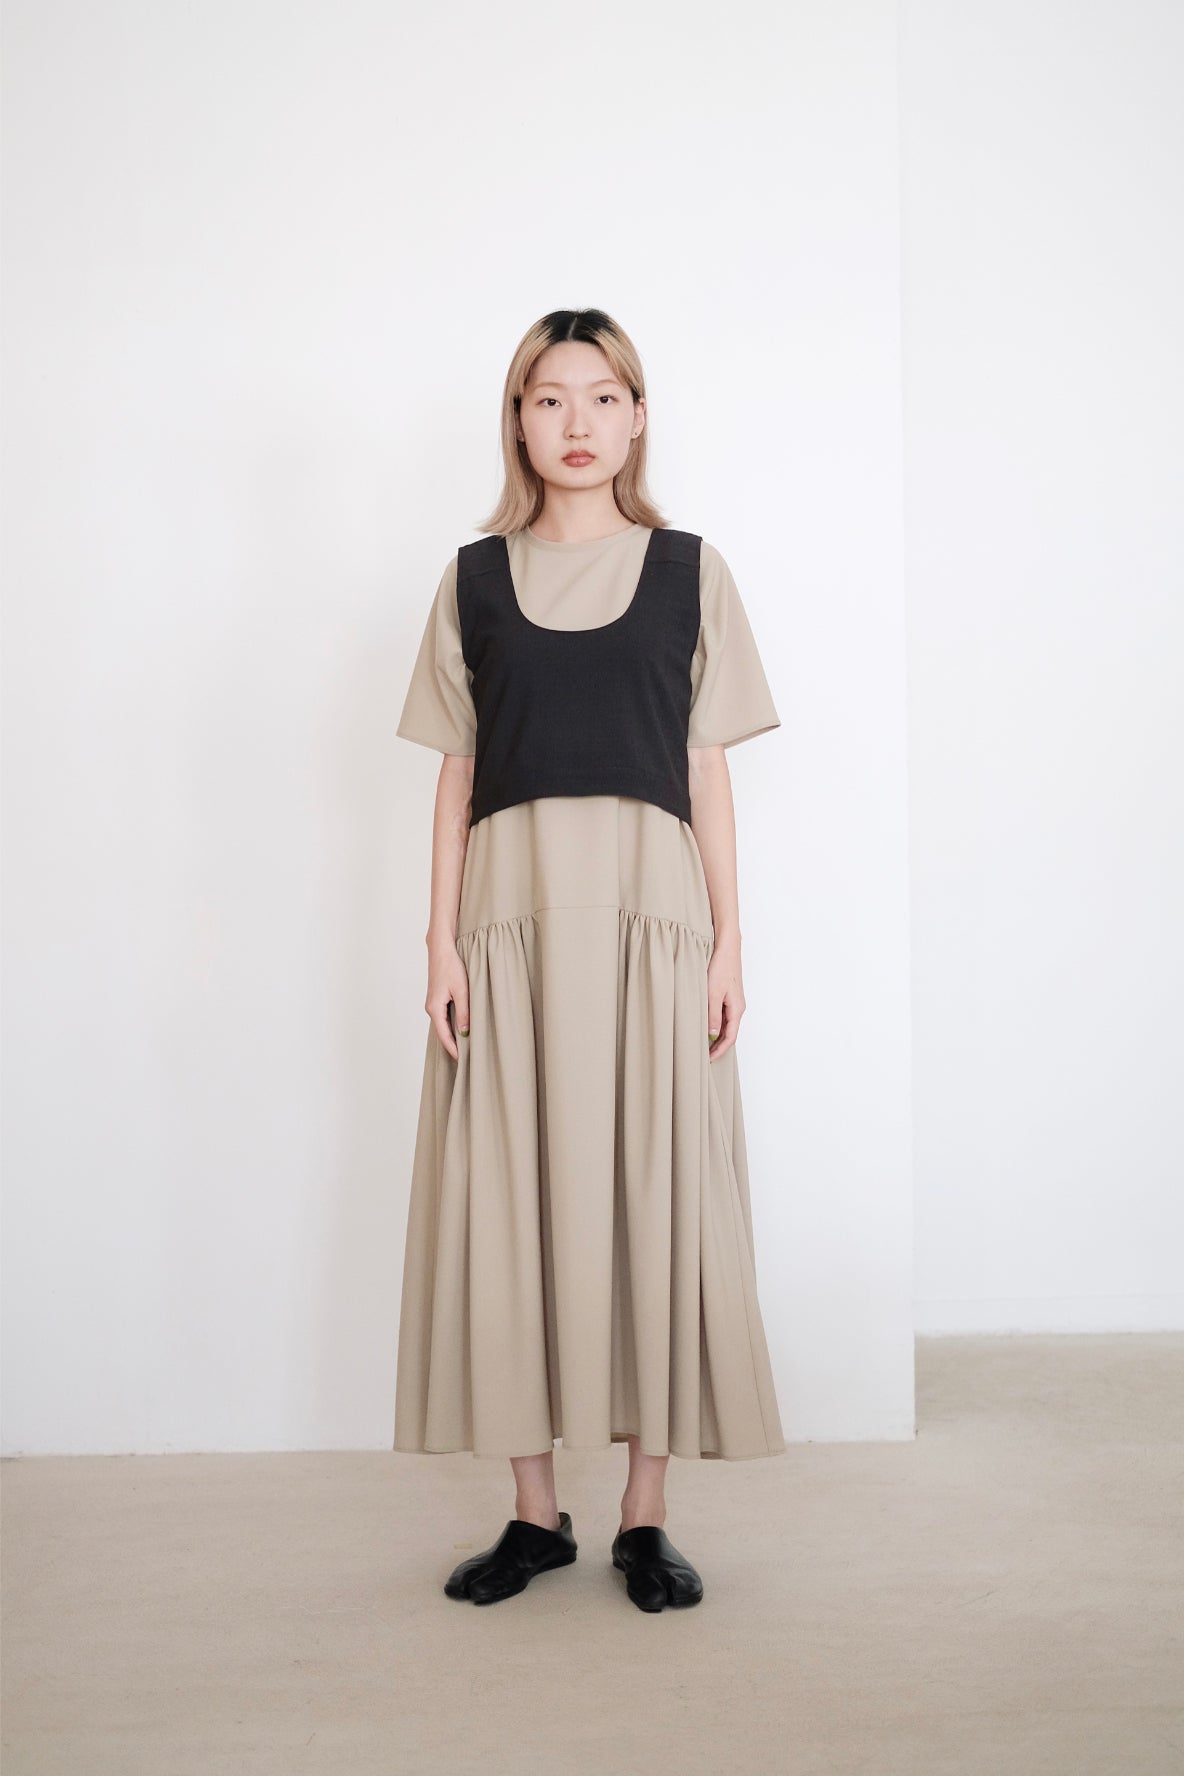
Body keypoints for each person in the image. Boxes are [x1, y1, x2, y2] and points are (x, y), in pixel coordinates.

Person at [393, 307, 785, 1613]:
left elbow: (706, 771)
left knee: (650, 1191)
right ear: (517, 421)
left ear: (638, 417)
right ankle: (533, 1513)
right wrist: (441, 944)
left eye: (604, 396)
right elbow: (455, 779)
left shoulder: (689, 572)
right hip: (509, 927)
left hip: (649, 923)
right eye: (550, 397)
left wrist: (729, 943)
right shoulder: (472, 580)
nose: (577, 422)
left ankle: (645, 1517)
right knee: (513, 1195)